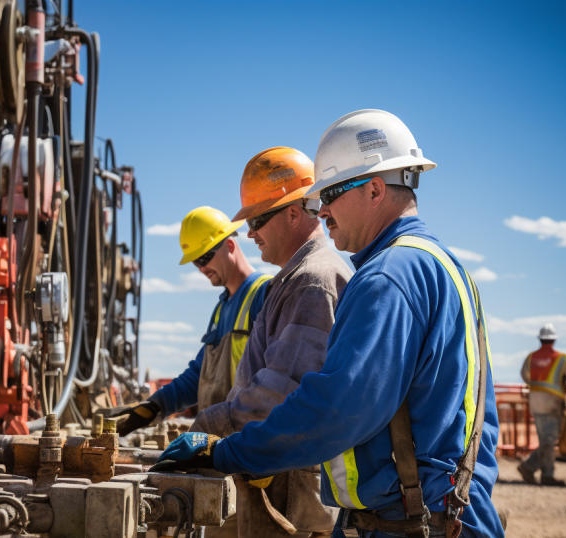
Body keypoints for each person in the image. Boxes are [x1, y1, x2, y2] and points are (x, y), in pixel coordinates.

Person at [153, 110, 504, 538]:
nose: (321, 210)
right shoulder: (444, 267)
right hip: (443, 514)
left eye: (331, 194)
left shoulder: (388, 277)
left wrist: (229, 452)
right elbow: (483, 426)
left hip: (410, 523)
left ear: (375, 189)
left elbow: (337, 409)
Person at [192, 147, 352, 537]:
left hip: (295, 483)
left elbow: (282, 391)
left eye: (258, 219)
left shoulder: (311, 282)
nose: (250, 233)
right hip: (280, 471)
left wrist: (208, 427)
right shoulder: (295, 278)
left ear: (294, 213)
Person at [113, 206, 271, 435]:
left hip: (247, 442)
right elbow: (200, 375)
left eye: (205, 257)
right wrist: (156, 405)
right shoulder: (221, 309)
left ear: (230, 245)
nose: (202, 268)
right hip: (218, 440)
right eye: (196, 262)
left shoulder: (264, 294)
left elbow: (277, 379)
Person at [517, 323, 566, 487]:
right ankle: (532, 468)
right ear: (554, 340)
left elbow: (524, 375)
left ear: (540, 339)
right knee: (549, 442)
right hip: (552, 403)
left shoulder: (531, 357)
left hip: (535, 402)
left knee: (546, 440)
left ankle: (544, 473)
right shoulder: (561, 358)